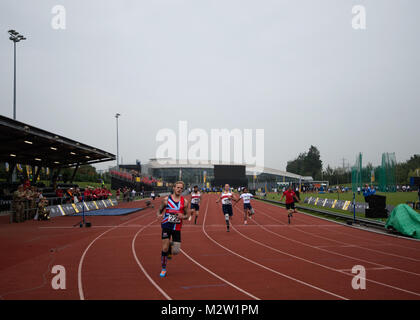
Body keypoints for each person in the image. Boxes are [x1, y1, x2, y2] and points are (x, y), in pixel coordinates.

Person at [156, 181, 190, 278]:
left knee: (176, 251)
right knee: (164, 248)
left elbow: (187, 216)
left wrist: (182, 216)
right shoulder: (166, 200)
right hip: (166, 226)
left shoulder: (185, 202)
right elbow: (159, 210)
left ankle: (171, 247)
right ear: (174, 188)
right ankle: (163, 268)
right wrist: (159, 215)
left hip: (177, 227)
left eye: (181, 188)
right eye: (178, 187)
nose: (179, 189)